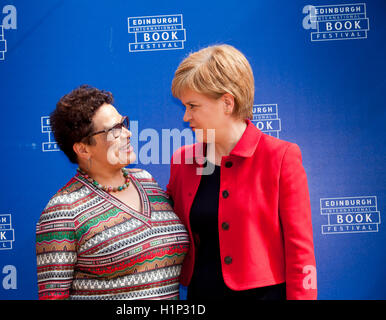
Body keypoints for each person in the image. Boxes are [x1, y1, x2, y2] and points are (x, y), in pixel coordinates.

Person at [167, 44, 317, 300]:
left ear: (227, 102)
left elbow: (300, 249)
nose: (185, 116)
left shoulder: (281, 157)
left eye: (193, 106)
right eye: (184, 106)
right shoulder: (183, 160)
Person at [36, 85, 189, 300]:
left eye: (123, 124)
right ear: (83, 149)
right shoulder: (63, 210)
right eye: (114, 130)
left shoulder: (147, 182)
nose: (127, 133)